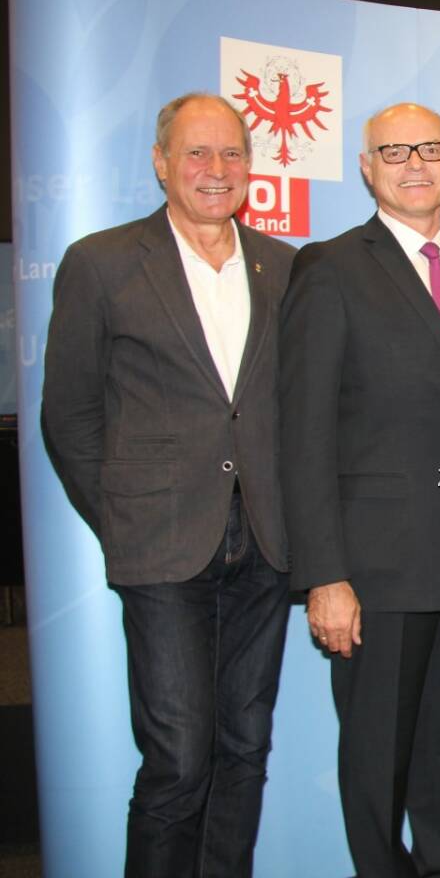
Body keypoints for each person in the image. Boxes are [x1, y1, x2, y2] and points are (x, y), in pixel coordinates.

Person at [41, 92, 294, 877]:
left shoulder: (287, 266)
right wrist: (125, 519)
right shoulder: (102, 261)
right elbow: (70, 415)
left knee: (244, 748)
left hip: (267, 544)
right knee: (180, 758)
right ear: (160, 163)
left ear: (251, 168)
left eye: (230, 155)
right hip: (161, 549)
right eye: (196, 153)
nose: (215, 171)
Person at [279, 103, 440, 877]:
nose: (416, 162)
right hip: (374, 575)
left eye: (433, 147)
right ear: (368, 168)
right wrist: (324, 575)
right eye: (395, 150)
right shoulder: (331, 267)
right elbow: (302, 434)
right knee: (377, 767)